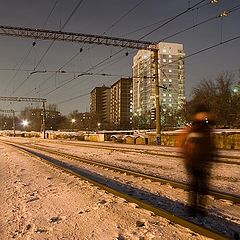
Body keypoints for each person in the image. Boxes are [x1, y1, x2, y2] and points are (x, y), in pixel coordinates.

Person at [178, 104, 215, 217]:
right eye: (202, 114)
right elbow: (181, 142)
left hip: (203, 162)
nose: (204, 116)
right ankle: (192, 206)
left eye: (205, 114)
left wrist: (213, 157)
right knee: (194, 185)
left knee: (203, 186)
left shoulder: (207, 129)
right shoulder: (191, 128)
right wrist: (185, 157)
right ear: (197, 115)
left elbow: (211, 145)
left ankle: (200, 207)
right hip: (192, 161)